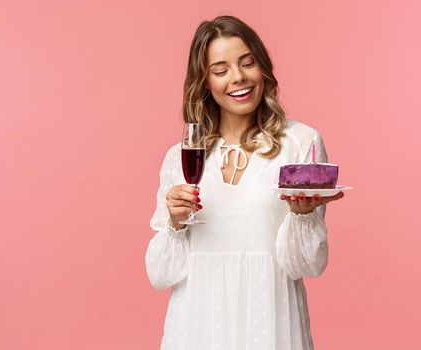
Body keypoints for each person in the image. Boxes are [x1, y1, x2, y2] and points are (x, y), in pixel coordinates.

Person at [145, 15, 345, 350]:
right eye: (221, 70)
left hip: (270, 318)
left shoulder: (300, 142)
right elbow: (161, 275)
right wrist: (176, 224)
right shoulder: (180, 156)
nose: (238, 78)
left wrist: (303, 216)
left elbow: (306, 266)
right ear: (205, 82)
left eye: (247, 63)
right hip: (197, 322)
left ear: (262, 67)